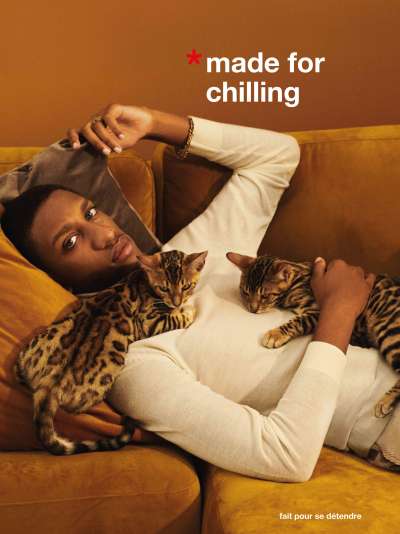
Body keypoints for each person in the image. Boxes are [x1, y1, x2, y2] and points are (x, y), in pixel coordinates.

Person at [1, 104, 397, 479]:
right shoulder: (135, 362)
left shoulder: (194, 251)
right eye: (70, 242)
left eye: (91, 212)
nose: (104, 233)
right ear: (55, 279)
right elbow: (284, 456)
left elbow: (278, 157)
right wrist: (339, 311)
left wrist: (153, 123)